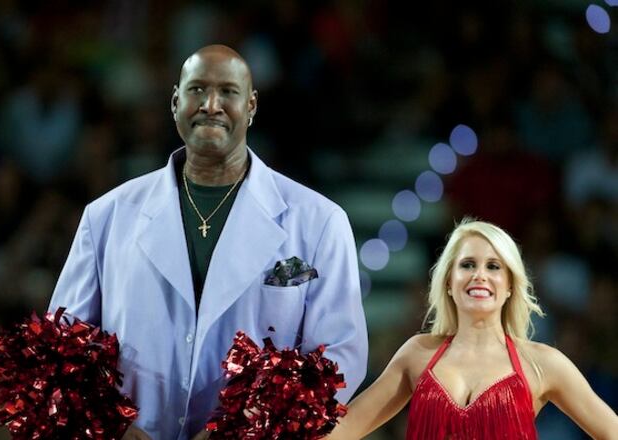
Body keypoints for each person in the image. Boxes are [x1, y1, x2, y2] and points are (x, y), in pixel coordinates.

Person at [49, 44, 368, 439]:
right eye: (197, 89)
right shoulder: (106, 216)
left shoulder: (320, 221)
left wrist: (240, 430)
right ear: (175, 101)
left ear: (251, 105)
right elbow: (61, 346)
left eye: (228, 92)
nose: (210, 104)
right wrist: (114, 426)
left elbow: (340, 358)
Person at [326, 219, 618, 439]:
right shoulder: (416, 355)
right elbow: (345, 429)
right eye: (467, 264)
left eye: (493, 266)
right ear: (449, 283)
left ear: (510, 286)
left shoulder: (543, 363)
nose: (480, 275)